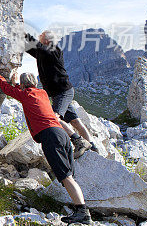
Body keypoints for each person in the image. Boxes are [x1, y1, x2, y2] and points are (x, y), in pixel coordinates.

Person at [0, 58, 93, 225]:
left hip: (50, 136)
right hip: (62, 134)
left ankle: (83, 213)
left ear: (23, 86)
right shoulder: (41, 94)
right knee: (68, 176)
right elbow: (23, 93)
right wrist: (18, 84)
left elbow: (6, 88)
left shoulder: (25, 94)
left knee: (66, 178)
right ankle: (79, 210)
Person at [24, 30, 97, 158]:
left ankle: (78, 142)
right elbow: (29, 46)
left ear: (47, 41)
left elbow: (34, 44)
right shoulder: (42, 53)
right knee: (75, 121)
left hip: (63, 92)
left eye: (41, 36)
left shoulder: (54, 51)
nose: (38, 37)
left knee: (54, 118)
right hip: (59, 93)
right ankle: (93, 147)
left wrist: (21, 32)